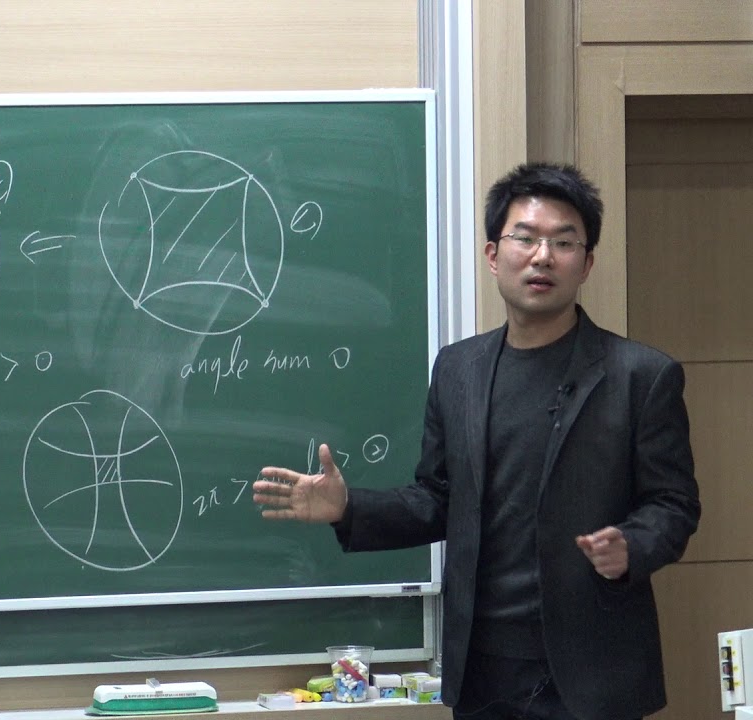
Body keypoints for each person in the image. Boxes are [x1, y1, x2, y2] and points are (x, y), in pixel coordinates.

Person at [253, 162, 700, 720]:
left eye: (564, 243)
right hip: (485, 669)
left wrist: (633, 546)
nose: (542, 257)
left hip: (593, 672)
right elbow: (438, 498)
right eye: (525, 238)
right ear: (493, 255)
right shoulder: (458, 369)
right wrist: (350, 508)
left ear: (586, 263)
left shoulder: (641, 376)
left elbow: (674, 504)